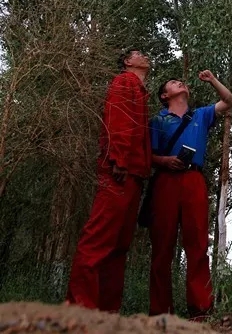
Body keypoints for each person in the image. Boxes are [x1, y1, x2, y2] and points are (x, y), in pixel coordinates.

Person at [66, 49, 151, 311]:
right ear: (128, 62)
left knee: (118, 246)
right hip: (119, 172)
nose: (145, 56)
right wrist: (119, 159)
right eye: (139, 54)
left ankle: (107, 310)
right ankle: (80, 308)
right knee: (98, 240)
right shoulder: (124, 82)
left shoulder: (140, 90)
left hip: (134, 175)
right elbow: (118, 120)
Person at [148, 69, 232, 319]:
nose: (180, 83)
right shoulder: (158, 121)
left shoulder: (200, 114)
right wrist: (165, 161)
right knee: (162, 248)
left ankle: (201, 309)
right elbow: (148, 156)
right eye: (174, 83)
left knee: (197, 244)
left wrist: (212, 81)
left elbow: (230, 101)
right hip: (165, 182)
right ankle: (160, 312)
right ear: (165, 95)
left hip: (194, 180)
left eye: (180, 81)